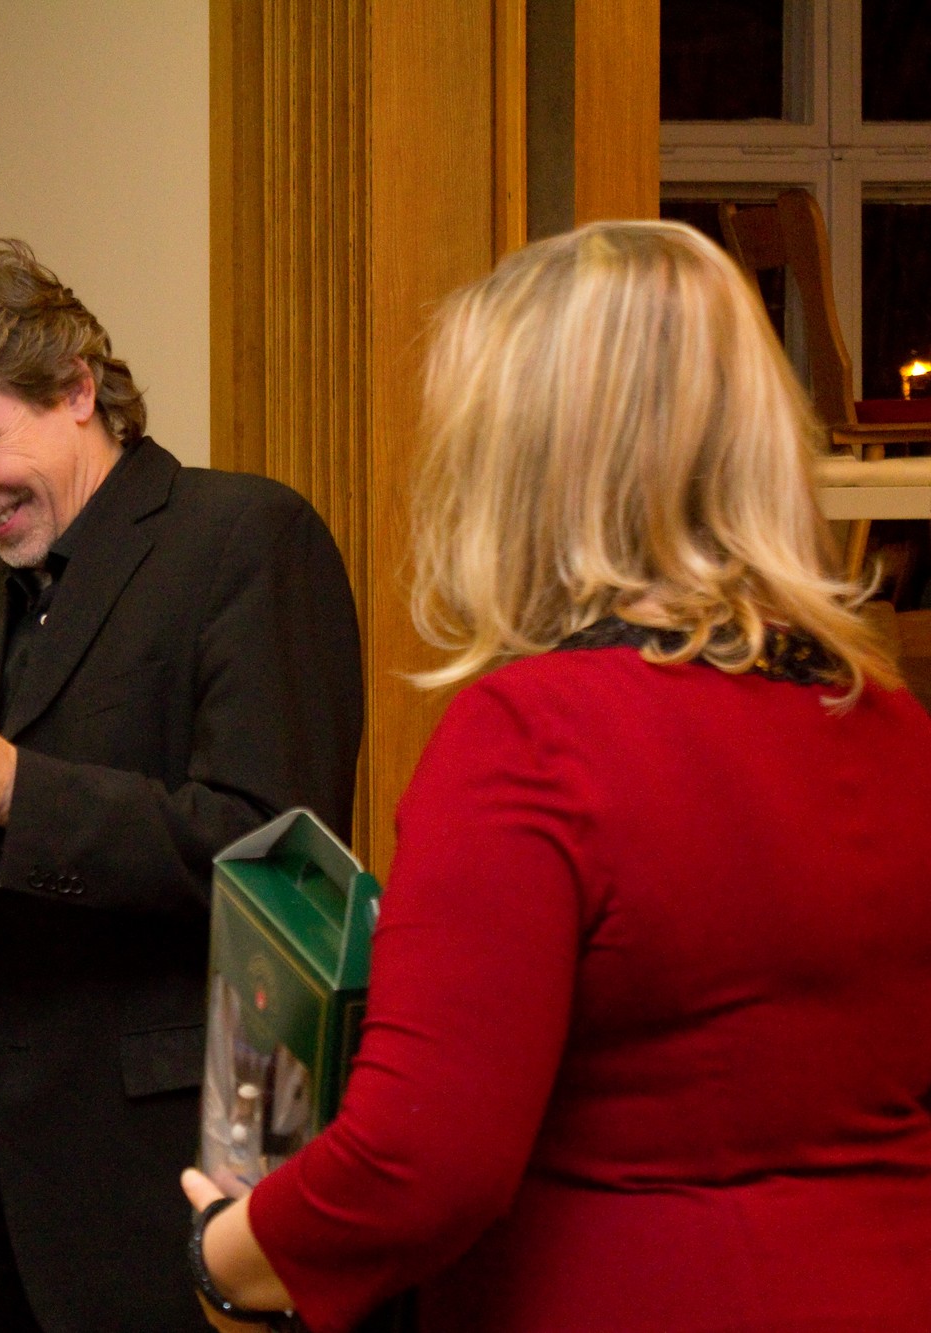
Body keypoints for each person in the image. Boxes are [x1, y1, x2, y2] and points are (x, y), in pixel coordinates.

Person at [181, 220, 931, 1332]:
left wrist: (228, 1257)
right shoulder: (887, 718)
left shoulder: (533, 735)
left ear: (512, 463)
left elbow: (417, 1163)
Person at [0, 236, 365, 1331]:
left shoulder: (243, 538)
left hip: (187, 1188)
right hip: (2, 1218)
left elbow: (285, 870)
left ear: (73, 387)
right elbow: (4, 898)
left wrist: (23, 791)